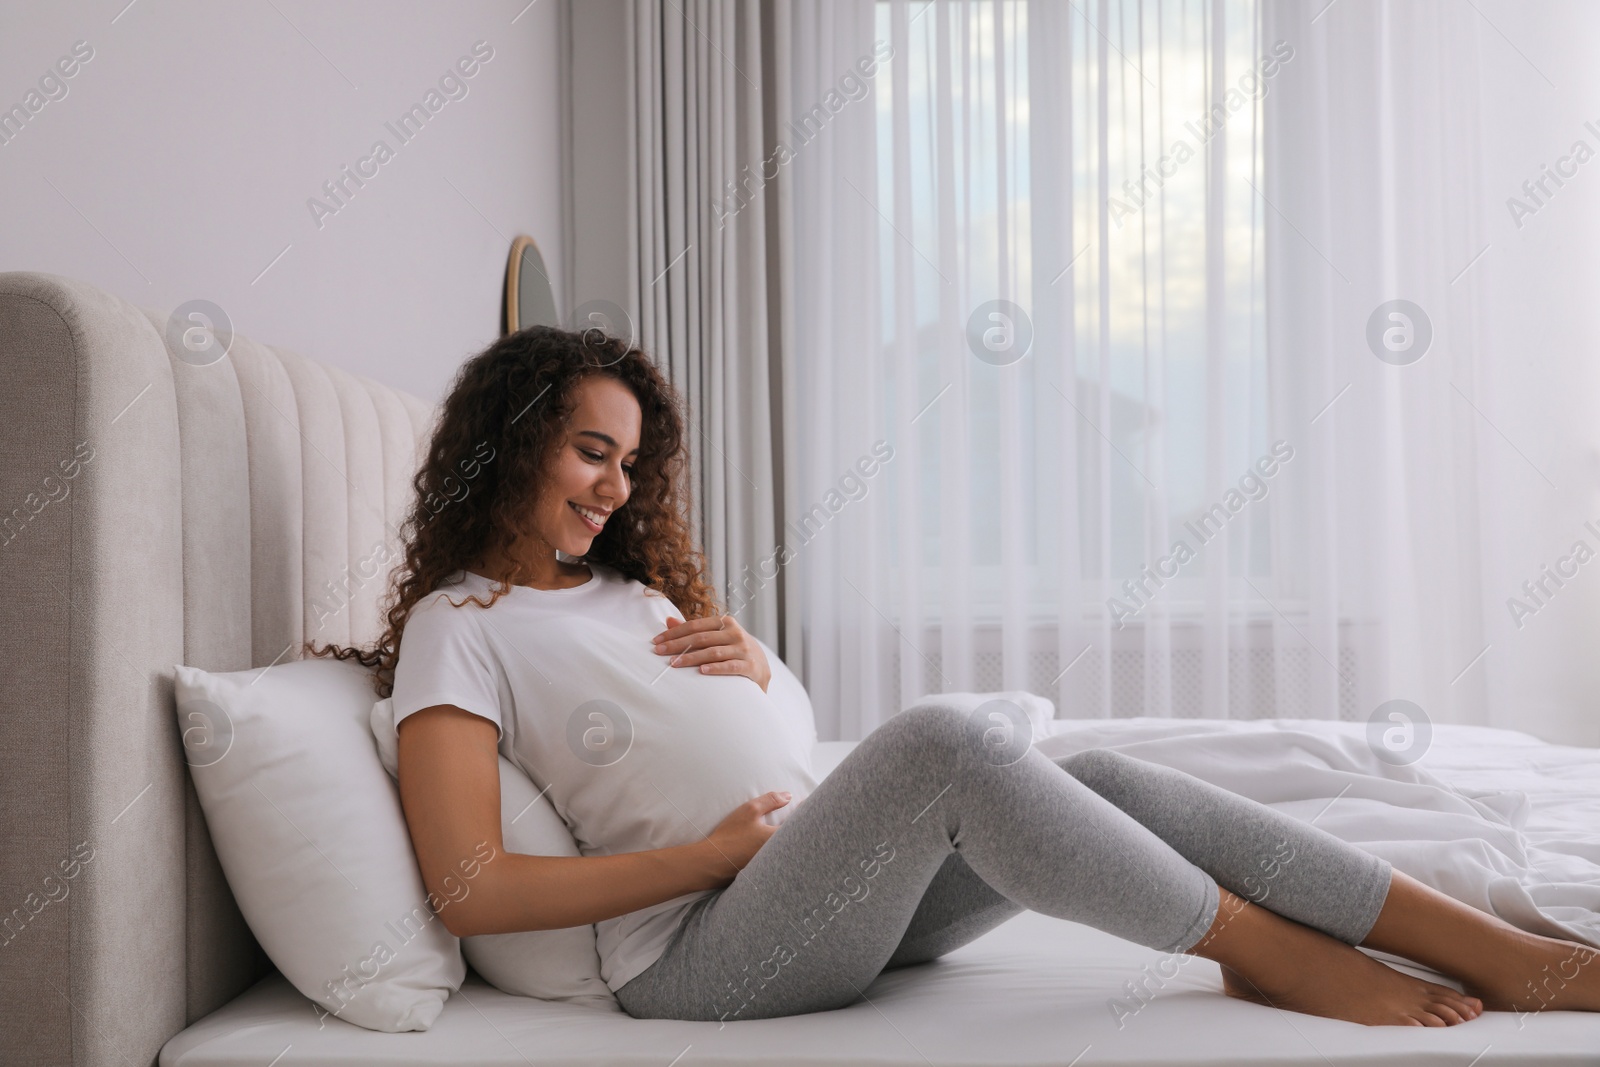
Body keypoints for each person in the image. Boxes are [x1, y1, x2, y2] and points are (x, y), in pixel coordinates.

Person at [312, 326, 1599, 1028]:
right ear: (512, 446)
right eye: (592, 450)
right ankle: (1274, 949)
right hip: (703, 955)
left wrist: (759, 666)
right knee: (944, 736)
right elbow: (469, 889)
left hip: (804, 886)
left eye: (631, 463)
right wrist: (701, 862)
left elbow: (779, 739)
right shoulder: (458, 626)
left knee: (1082, 771)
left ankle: (1492, 944)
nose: (617, 487)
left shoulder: (624, 590)